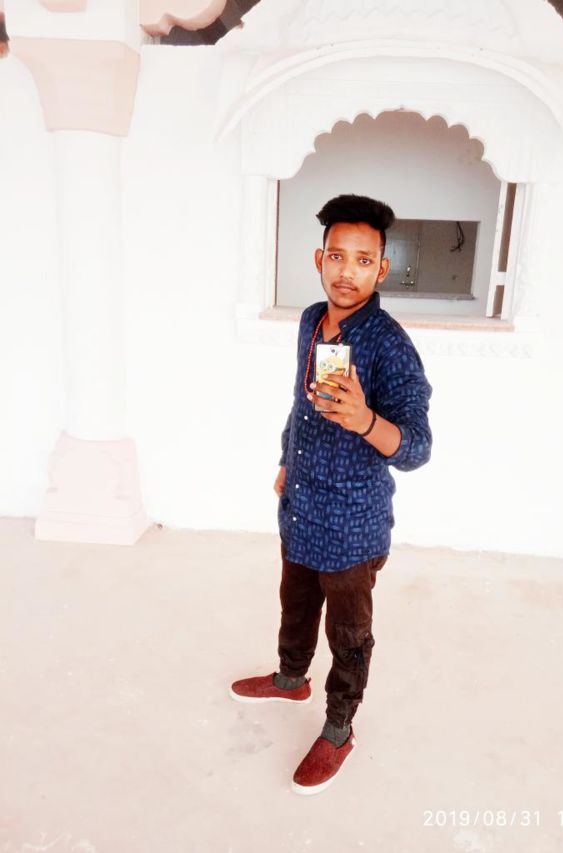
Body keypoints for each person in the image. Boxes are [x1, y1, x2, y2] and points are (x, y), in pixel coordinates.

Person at [230, 193, 433, 795]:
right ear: (320, 259)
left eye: (363, 261)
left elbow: (418, 447)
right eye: (338, 256)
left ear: (382, 268)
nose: (348, 272)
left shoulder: (390, 346)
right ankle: (290, 679)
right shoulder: (311, 320)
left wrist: (365, 420)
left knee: (348, 636)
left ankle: (339, 728)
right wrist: (286, 460)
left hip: (352, 525)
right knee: (294, 605)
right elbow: (300, 403)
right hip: (301, 507)